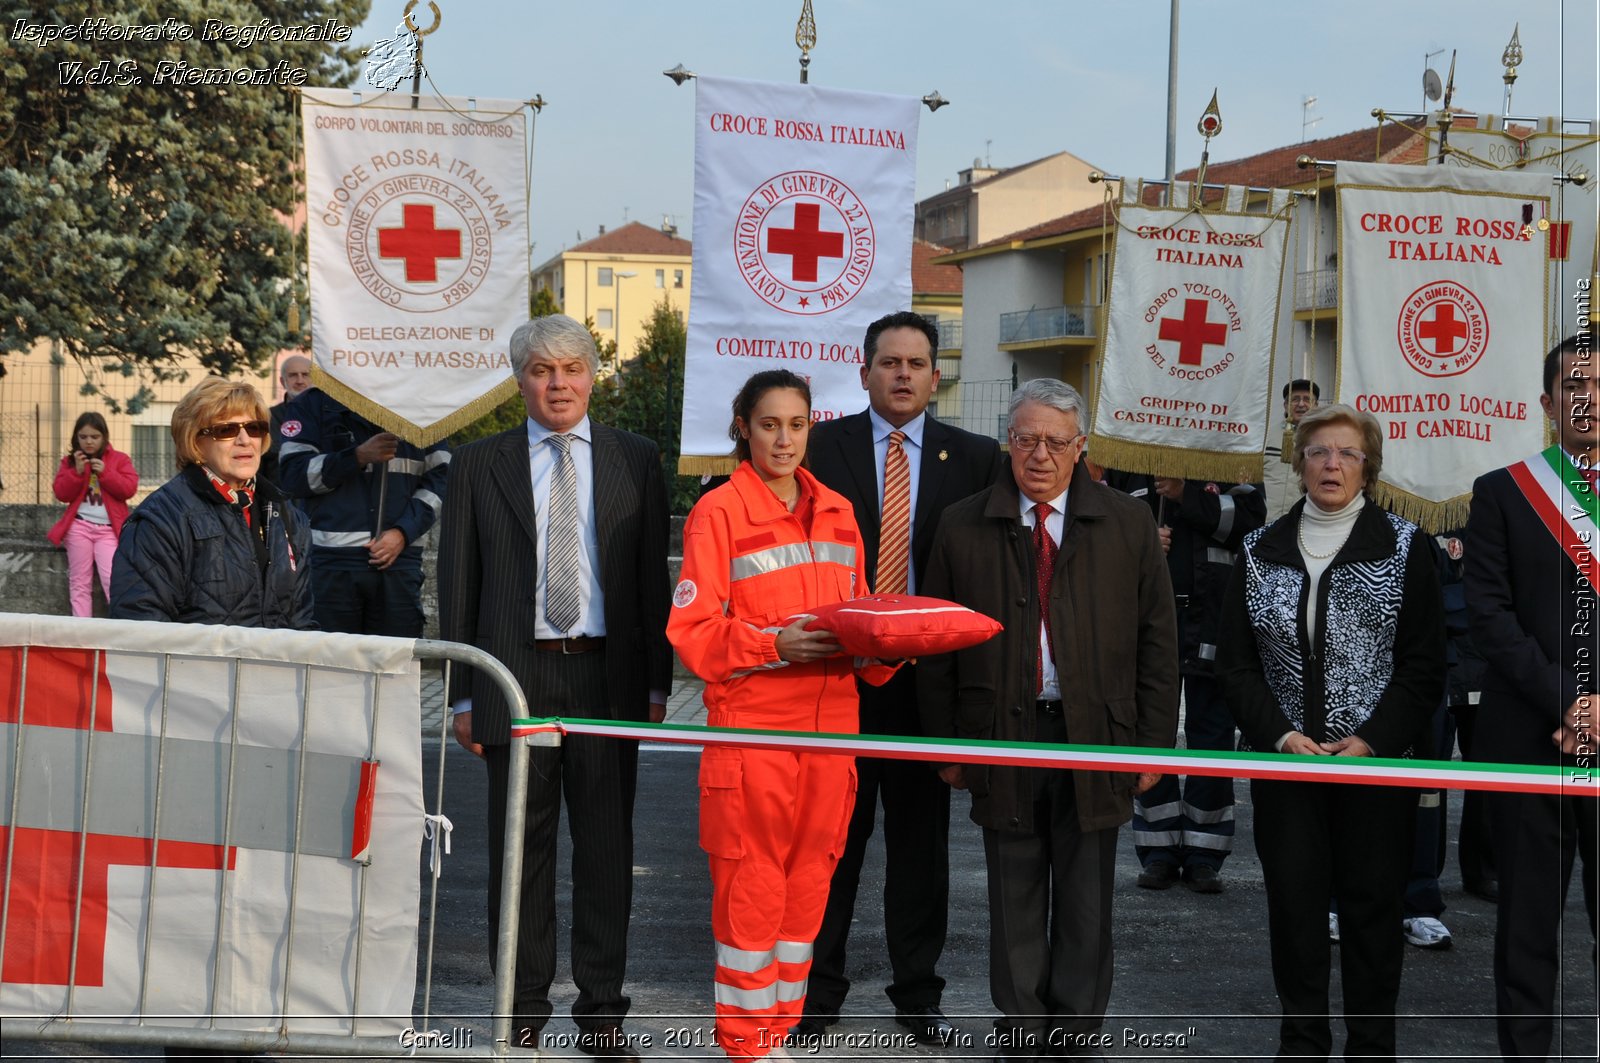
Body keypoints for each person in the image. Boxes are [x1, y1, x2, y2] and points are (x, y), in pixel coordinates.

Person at [918, 378, 1180, 1057]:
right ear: (1009, 443)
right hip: (1001, 732)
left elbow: (1158, 642)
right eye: (1026, 439)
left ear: (1081, 447)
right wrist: (946, 746)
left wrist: (1153, 745)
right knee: (1014, 894)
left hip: (1098, 736)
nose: (1039, 454)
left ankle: (1074, 1030)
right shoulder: (962, 523)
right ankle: (1021, 1027)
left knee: (1088, 898)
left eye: (1055, 441)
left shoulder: (1125, 524)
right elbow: (937, 645)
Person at [437, 314, 670, 1061]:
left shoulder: (637, 458)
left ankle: (603, 1012)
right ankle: (522, 1010)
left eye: (572, 367)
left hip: (607, 678)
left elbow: (647, 585)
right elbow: (458, 582)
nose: (558, 382)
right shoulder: (479, 465)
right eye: (542, 370)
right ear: (520, 381)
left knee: (606, 851)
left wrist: (657, 687)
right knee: (519, 856)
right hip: (515, 677)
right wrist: (465, 695)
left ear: (594, 375)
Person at [668, 368, 901, 1061]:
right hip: (755, 738)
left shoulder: (837, 510)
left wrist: (891, 649)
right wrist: (775, 644)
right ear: (744, 426)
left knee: (806, 899)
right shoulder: (719, 512)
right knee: (751, 893)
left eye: (797, 425)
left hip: (831, 741)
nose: (784, 439)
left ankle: (779, 1037)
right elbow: (693, 633)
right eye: (769, 424)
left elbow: (855, 614)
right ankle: (745, 1046)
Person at [1217, 402, 1444, 1061]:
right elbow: (1234, 664)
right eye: (1319, 451)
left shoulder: (1406, 546)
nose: (1332, 463)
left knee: (1375, 915)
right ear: (1300, 462)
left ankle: (1372, 1047)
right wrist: (1279, 734)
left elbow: (1426, 664)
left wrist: (1372, 738)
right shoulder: (1260, 550)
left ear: (1369, 465)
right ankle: (1302, 1044)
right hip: (1288, 768)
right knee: (1294, 913)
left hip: (1376, 768)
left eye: (1347, 452)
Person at [798, 311, 1002, 1045]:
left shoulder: (977, 456)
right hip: (838, 681)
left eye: (917, 362)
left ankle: (919, 996)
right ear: (864, 372)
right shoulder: (819, 447)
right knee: (832, 847)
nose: (904, 373)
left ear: (936, 374)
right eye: (890, 362)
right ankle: (816, 996)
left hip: (930, 689)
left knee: (921, 855)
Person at [1464, 333, 1598, 1062]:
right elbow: (1489, 616)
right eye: (1574, 385)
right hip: (1528, 739)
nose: (1591, 398)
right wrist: (1572, 702)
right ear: (1547, 403)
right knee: (1525, 925)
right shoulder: (1504, 491)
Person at [1107, 472, 1263, 894]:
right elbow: (1101, 528)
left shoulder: (1235, 461)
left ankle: (1204, 855)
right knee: (1150, 735)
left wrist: (1186, 495)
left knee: (1212, 737)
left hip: (1215, 621)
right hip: (1149, 624)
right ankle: (1157, 851)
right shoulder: (1132, 465)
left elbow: (1253, 523)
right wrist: (1139, 539)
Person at [109, 378, 311, 629]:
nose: (245, 440)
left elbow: (302, 623)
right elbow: (140, 625)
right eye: (226, 430)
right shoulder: (160, 519)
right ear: (195, 442)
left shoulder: (287, 515)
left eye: (255, 428)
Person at [274, 388, 450, 637]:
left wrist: (403, 532)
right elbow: (293, 478)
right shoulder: (313, 404)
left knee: (395, 668)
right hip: (331, 567)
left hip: (398, 565)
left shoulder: (420, 407)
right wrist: (356, 457)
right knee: (332, 666)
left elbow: (442, 479)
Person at [49, 412, 139, 617]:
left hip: (108, 531)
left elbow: (128, 489)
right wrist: (77, 473)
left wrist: (106, 473)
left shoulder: (119, 459)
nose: (89, 442)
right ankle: (82, 633)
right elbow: (61, 493)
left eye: (94, 437)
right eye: (83, 437)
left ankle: (119, 627)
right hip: (79, 527)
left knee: (112, 580)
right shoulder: (70, 462)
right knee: (79, 582)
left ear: (104, 437)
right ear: (76, 438)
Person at [1264, 378, 1320, 522]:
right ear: (1285, 405)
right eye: (1295, 399)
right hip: (1265, 521)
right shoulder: (1265, 436)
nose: (1301, 404)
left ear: (1316, 405)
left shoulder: (1325, 440)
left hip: (1305, 524)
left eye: (1307, 399)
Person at [259, 354, 313, 487]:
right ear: (283, 382)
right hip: (281, 500)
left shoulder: (329, 416)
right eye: (293, 375)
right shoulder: (267, 418)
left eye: (305, 374)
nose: (300, 380)